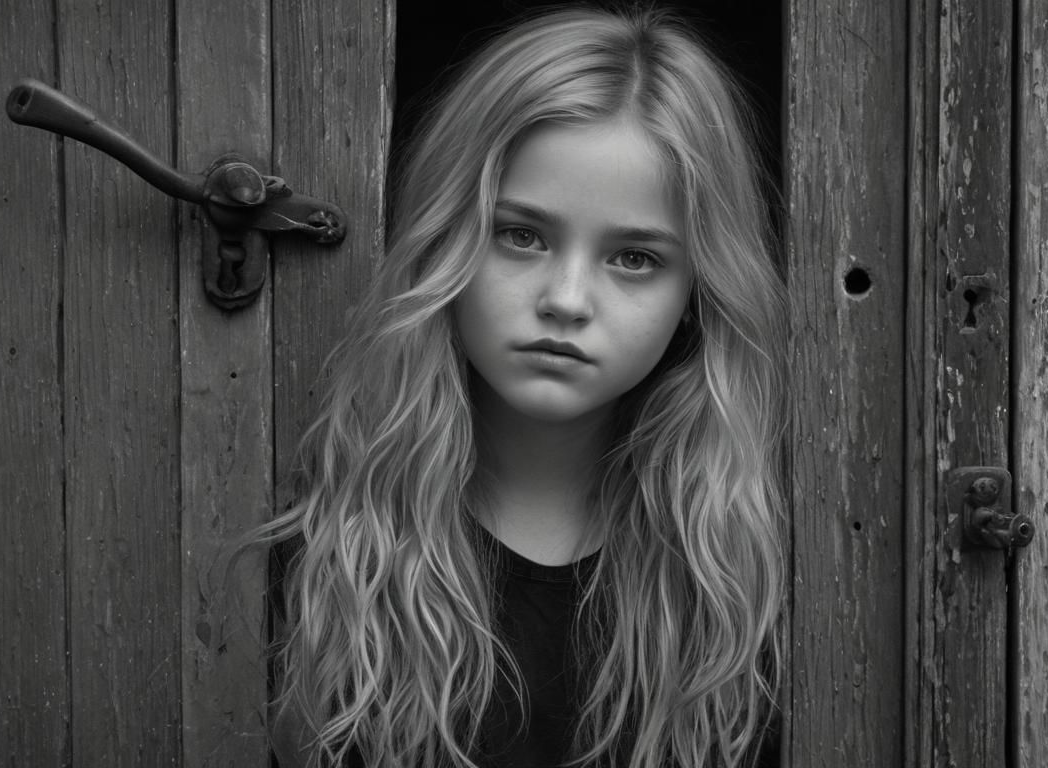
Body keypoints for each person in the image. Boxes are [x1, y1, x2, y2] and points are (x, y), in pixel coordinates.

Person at [257, 5, 788, 766]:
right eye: (521, 236)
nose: (566, 300)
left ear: (698, 291)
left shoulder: (753, 569)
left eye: (634, 258)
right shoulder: (325, 551)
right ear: (445, 242)